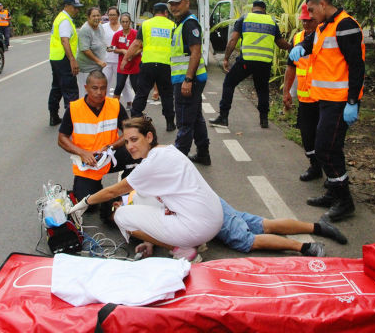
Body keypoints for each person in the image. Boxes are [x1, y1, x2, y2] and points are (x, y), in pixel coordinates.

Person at [68, 116, 224, 263]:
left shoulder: (150, 164)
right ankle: (195, 242)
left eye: (134, 140)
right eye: (127, 141)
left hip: (199, 227)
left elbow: (112, 192)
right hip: (212, 219)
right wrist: (148, 240)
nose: (129, 146)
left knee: (121, 216)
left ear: (149, 137)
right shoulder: (168, 150)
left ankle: (183, 250)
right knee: (138, 196)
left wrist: (84, 202)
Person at [289, 0, 365, 222]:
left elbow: (357, 66)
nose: (310, 15)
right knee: (331, 147)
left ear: (323, 4)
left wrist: (352, 101)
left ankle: (345, 201)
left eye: (312, 10)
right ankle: (334, 192)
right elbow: (311, 44)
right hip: (325, 99)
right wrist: (301, 48)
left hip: (341, 101)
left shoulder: (345, 25)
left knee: (325, 148)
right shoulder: (323, 28)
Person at [101, 192, 347, 258]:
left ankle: (305, 249)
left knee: (247, 241)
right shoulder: (136, 190)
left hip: (204, 213)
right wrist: (149, 243)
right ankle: (318, 228)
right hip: (210, 201)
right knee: (264, 224)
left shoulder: (132, 204)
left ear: (116, 207)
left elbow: (158, 222)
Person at [58, 70, 137, 205]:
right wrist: (82, 153)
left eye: (103, 88)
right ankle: (95, 189)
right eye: (94, 88)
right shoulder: (74, 108)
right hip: (88, 162)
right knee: (88, 203)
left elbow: (128, 132)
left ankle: (129, 187)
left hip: (111, 155)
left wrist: (112, 146)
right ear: (86, 88)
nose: (99, 92)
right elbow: (62, 138)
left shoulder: (115, 105)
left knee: (138, 151)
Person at [209, 0, 291, 129]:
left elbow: (233, 40)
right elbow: (281, 43)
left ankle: (223, 117)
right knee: (262, 89)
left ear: (253, 9)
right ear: (264, 9)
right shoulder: (271, 21)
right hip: (264, 63)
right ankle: (264, 120)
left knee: (229, 83)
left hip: (246, 61)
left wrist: (226, 58)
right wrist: (292, 47)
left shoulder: (245, 18)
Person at [167, 0, 211, 165]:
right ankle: (203, 154)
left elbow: (196, 52)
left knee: (185, 120)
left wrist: (188, 80)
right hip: (186, 79)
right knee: (196, 117)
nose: (173, 7)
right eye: (171, 4)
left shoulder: (189, 23)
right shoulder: (180, 24)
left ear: (187, 3)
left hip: (188, 80)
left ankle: (178, 162)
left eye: (177, 3)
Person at [283, 4, 322, 181]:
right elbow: (291, 68)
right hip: (305, 97)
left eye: (310, 21)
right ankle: (315, 166)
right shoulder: (298, 38)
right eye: (304, 21)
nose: (306, 25)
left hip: (324, 97)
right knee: (307, 135)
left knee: (324, 137)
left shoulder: (325, 37)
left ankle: (328, 171)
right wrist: (287, 92)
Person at [124, 2, 175, 132]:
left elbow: (136, 44)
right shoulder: (173, 25)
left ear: (153, 12)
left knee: (142, 93)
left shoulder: (146, 24)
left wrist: (126, 58)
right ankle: (170, 123)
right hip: (166, 65)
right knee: (167, 95)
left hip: (148, 64)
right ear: (165, 13)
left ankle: (135, 118)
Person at [48, 0, 83, 127]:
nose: (77, 10)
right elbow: (65, 41)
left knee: (57, 87)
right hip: (64, 58)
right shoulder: (64, 21)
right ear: (67, 6)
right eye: (75, 7)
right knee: (70, 89)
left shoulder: (60, 18)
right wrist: (72, 60)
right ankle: (72, 122)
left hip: (56, 58)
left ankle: (53, 116)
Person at [102, 7, 134, 108]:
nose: (112, 17)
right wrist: (110, 48)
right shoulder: (103, 27)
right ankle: (105, 102)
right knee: (105, 81)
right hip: (106, 60)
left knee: (124, 83)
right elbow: (102, 43)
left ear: (118, 16)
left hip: (120, 60)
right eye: (110, 15)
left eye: (114, 15)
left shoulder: (123, 27)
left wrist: (116, 49)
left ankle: (130, 101)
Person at [77, 7, 107, 98]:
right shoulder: (85, 30)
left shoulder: (100, 26)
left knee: (95, 92)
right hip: (86, 68)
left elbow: (100, 42)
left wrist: (107, 48)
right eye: (93, 16)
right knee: (85, 93)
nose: (96, 18)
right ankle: (83, 111)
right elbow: (85, 49)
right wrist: (98, 61)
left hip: (97, 68)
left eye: (98, 15)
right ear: (88, 17)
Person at [112, 13, 141, 105]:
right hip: (122, 65)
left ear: (130, 22)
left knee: (136, 87)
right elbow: (113, 49)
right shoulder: (117, 35)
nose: (125, 24)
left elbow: (142, 47)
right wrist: (122, 51)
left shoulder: (136, 33)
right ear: (120, 23)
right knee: (119, 86)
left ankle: (138, 108)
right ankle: (114, 107)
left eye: (127, 22)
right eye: (123, 22)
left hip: (135, 64)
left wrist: (132, 54)